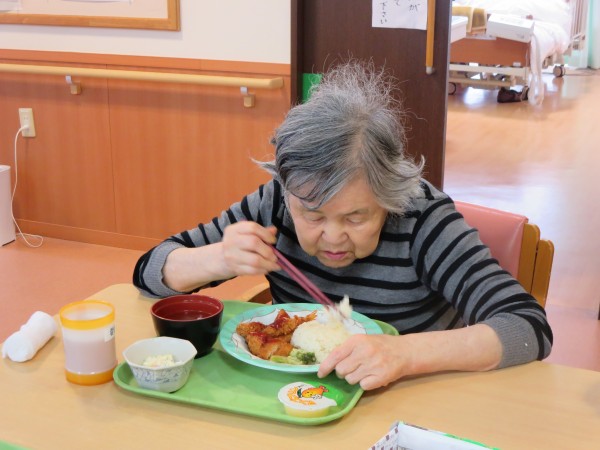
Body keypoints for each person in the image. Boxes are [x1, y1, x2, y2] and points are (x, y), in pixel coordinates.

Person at [133, 61, 552, 390]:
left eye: (356, 217)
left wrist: (404, 354)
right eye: (312, 216)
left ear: (387, 196)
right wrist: (218, 259)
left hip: (409, 399)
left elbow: (527, 327)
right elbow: (148, 272)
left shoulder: (422, 218)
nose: (332, 237)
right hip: (295, 398)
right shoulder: (276, 202)